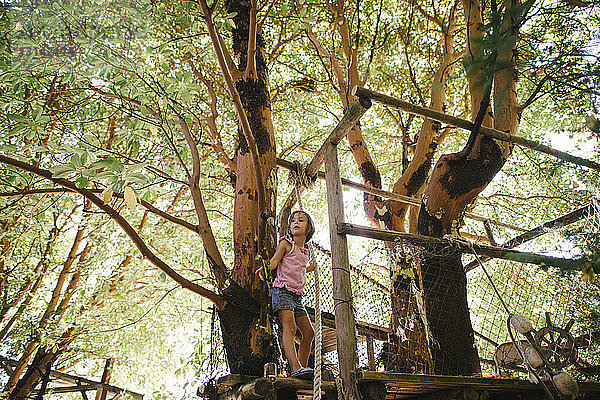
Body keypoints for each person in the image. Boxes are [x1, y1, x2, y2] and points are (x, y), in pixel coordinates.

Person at [257, 210, 316, 377]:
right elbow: (274, 262)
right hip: (282, 291)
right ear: (289, 228)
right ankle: (295, 366)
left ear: (309, 228)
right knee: (290, 327)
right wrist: (265, 267)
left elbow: (301, 268)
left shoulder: (306, 252)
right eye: (293, 221)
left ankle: (302, 368)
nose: (296, 222)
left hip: (297, 297)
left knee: (309, 333)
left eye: (301, 220)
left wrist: (312, 268)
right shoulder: (285, 244)